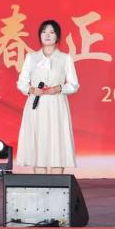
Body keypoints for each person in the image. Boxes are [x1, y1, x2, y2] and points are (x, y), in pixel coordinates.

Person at [15, 19, 79, 172]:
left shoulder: (65, 58)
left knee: (57, 142)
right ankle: (40, 185)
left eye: (51, 32)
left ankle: (57, 185)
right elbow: (21, 82)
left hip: (56, 104)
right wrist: (31, 90)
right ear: (40, 35)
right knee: (38, 144)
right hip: (37, 105)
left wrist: (59, 88)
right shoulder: (32, 57)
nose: (47, 35)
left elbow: (74, 84)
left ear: (57, 36)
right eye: (44, 32)